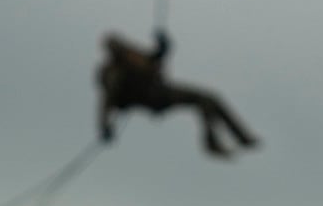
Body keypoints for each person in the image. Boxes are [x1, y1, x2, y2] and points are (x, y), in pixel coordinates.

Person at [96, 28, 260, 158]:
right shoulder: (114, 73)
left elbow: (153, 59)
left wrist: (163, 47)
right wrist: (105, 127)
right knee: (203, 99)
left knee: (209, 99)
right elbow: (106, 101)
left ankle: (236, 138)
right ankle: (215, 142)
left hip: (161, 93)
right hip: (153, 99)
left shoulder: (133, 57)